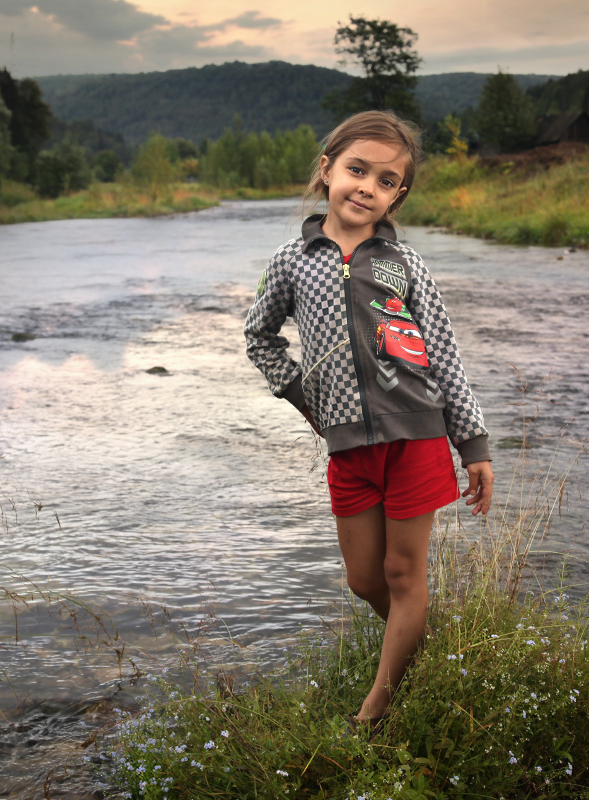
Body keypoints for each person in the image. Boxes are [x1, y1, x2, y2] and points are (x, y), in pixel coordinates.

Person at [244, 110, 493, 727]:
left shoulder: (405, 266)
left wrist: (475, 444)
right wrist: (307, 399)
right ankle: (420, 646)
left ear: (396, 195)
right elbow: (259, 337)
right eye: (357, 170)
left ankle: (375, 708)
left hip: (418, 434)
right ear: (327, 169)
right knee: (364, 581)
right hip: (349, 447)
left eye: (386, 181)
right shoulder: (292, 261)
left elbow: (444, 354)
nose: (367, 188)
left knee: (403, 572)